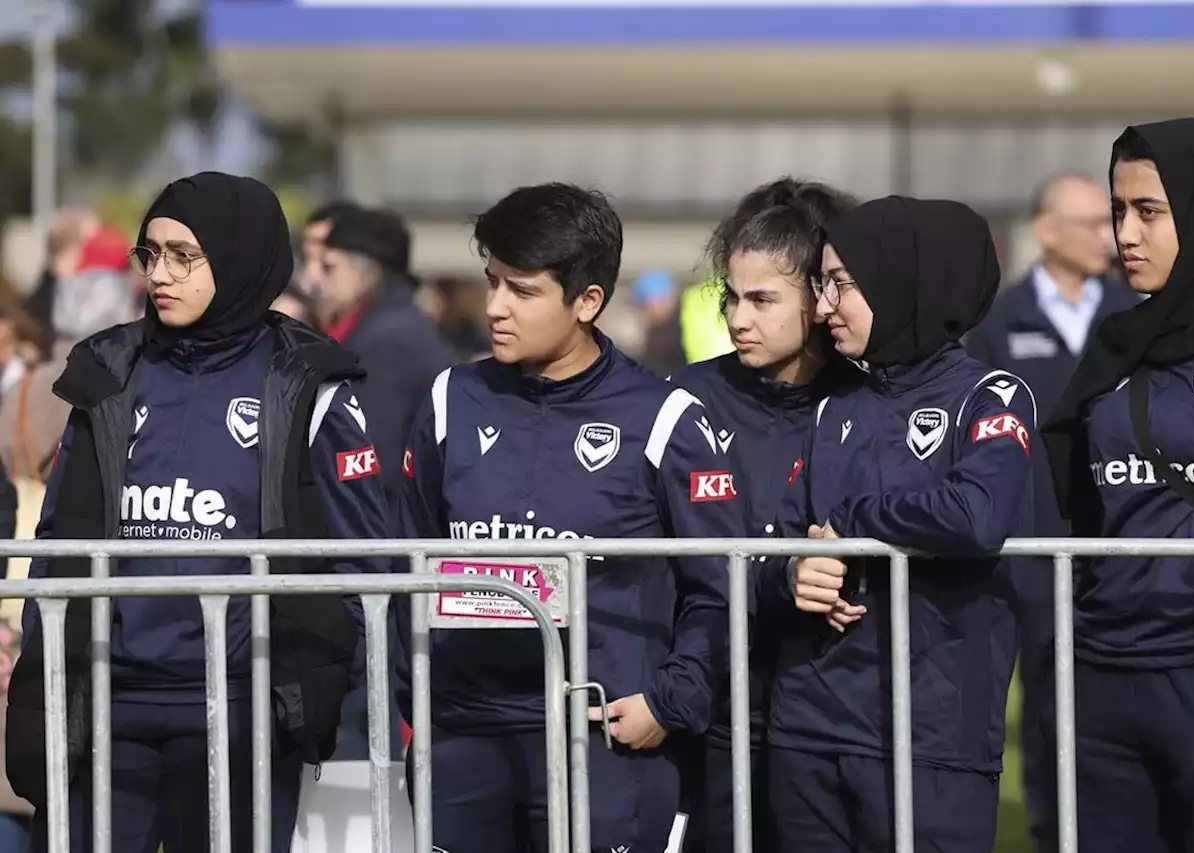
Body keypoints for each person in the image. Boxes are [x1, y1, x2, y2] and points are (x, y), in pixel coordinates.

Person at [5, 172, 392, 853]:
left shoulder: (308, 380)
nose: (162, 273)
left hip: (243, 714)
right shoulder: (107, 371)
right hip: (109, 703)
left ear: (239, 254)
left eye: (185, 255)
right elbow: (59, 540)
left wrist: (314, 689)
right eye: (151, 253)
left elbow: (364, 557)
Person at [392, 182, 747, 853]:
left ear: (588, 301)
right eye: (492, 281)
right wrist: (423, 700)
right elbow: (404, 560)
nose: (495, 306)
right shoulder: (450, 398)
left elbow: (719, 587)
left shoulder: (664, 418)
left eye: (522, 290)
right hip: (463, 740)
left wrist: (669, 701)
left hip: (604, 744)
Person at [1042, 118, 1194, 853]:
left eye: (1150, 211)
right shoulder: (1115, 345)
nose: (1126, 234)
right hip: (1107, 672)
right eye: (1119, 211)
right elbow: (1069, 497)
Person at [769, 196, 1035, 852]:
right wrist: (795, 576)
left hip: (934, 732)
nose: (824, 304)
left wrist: (853, 524)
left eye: (842, 284)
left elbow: (977, 514)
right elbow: (782, 537)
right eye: (820, 283)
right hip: (810, 727)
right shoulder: (830, 406)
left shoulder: (992, 396)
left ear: (903, 282)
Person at [668, 176, 858, 853]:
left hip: (839, 720)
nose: (737, 318)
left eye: (762, 299)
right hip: (715, 718)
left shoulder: (872, 400)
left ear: (821, 296)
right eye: (731, 297)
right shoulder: (687, 397)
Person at [964, 172, 1140, 852]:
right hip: (1035, 549)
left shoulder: (1134, 316)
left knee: (1119, 698)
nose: (1112, 235)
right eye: (1095, 222)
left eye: (1115, 219)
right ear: (1046, 230)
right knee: (1044, 704)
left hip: (1120, 548)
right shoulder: (999, 326)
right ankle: (1051, 829)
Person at [318, 206, 456, 474]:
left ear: (368, 270)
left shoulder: (386, 340)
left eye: (329, 267)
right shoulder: (389, 324)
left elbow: (374, 455)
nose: (318, 280)